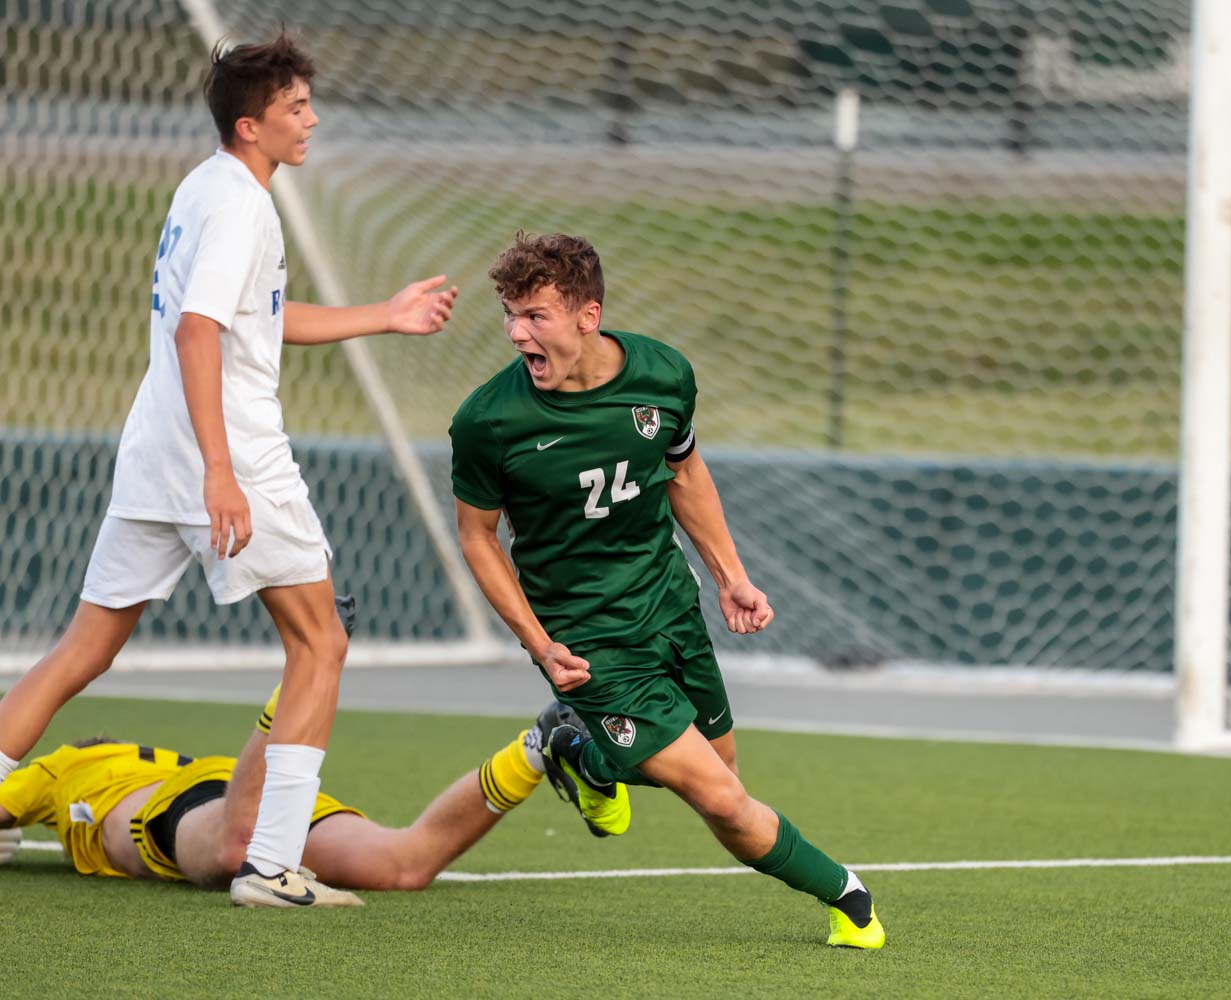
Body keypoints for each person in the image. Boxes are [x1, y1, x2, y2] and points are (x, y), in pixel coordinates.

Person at [0, 32, 459, 908]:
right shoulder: (243, 206)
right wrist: (220, 471)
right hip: (230, 455)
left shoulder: (205, 186)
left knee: (83, 649)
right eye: (296, 108)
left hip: (152, 456)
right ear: (251, 125)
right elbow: (198, 330)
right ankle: (273, 865)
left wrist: (385, 315)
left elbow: (255, 320)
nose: (311, 120)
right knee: (319, 642)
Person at [449, 232, 885, 949]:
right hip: (588, 644)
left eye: (535, 316)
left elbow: (683, 472)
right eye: (510, 315)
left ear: (588, 316)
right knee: (725, 800)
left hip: (670, 607)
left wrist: (731, 578)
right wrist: (538, 643)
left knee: (722, 769)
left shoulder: (663, 375)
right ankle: (849, 896)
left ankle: (580, 753)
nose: (516, 333)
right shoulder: (489, 421)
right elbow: (477, 537)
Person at [0, 686, 570, 895]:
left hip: (183, 805)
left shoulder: (63, 765)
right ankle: (535, 749)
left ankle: (293, 687)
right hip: (240, 785)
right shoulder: (150, 757)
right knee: (404, 866)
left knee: (235, 852)